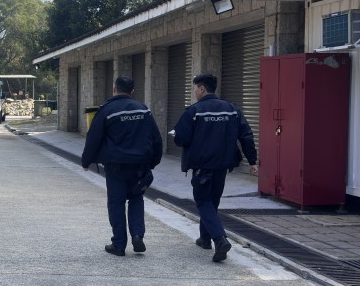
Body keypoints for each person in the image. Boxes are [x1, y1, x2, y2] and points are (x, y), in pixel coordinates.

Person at [172, 73, 258, 263]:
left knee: (203, 202)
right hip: (222, 166)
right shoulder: (232, 109)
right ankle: (205, 239)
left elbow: (180, 138)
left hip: (203, 166)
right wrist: (252, 161)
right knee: (212, 202)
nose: (194, 91)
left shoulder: (194, 111)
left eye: (194, 88)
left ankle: (219, 239)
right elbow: (246, 135)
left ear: (202, 89)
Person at [81, 76, 163, 257]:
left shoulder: (106, 110)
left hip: (116, 167)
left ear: (114, 89)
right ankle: (137, 235)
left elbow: (93, 138)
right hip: (140, 166)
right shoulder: (143, 110)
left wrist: (86, 161)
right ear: (132, 91)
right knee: (136, 199)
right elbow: (156, 139)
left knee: (116, 203)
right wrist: (154, 162)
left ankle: (118, 244)